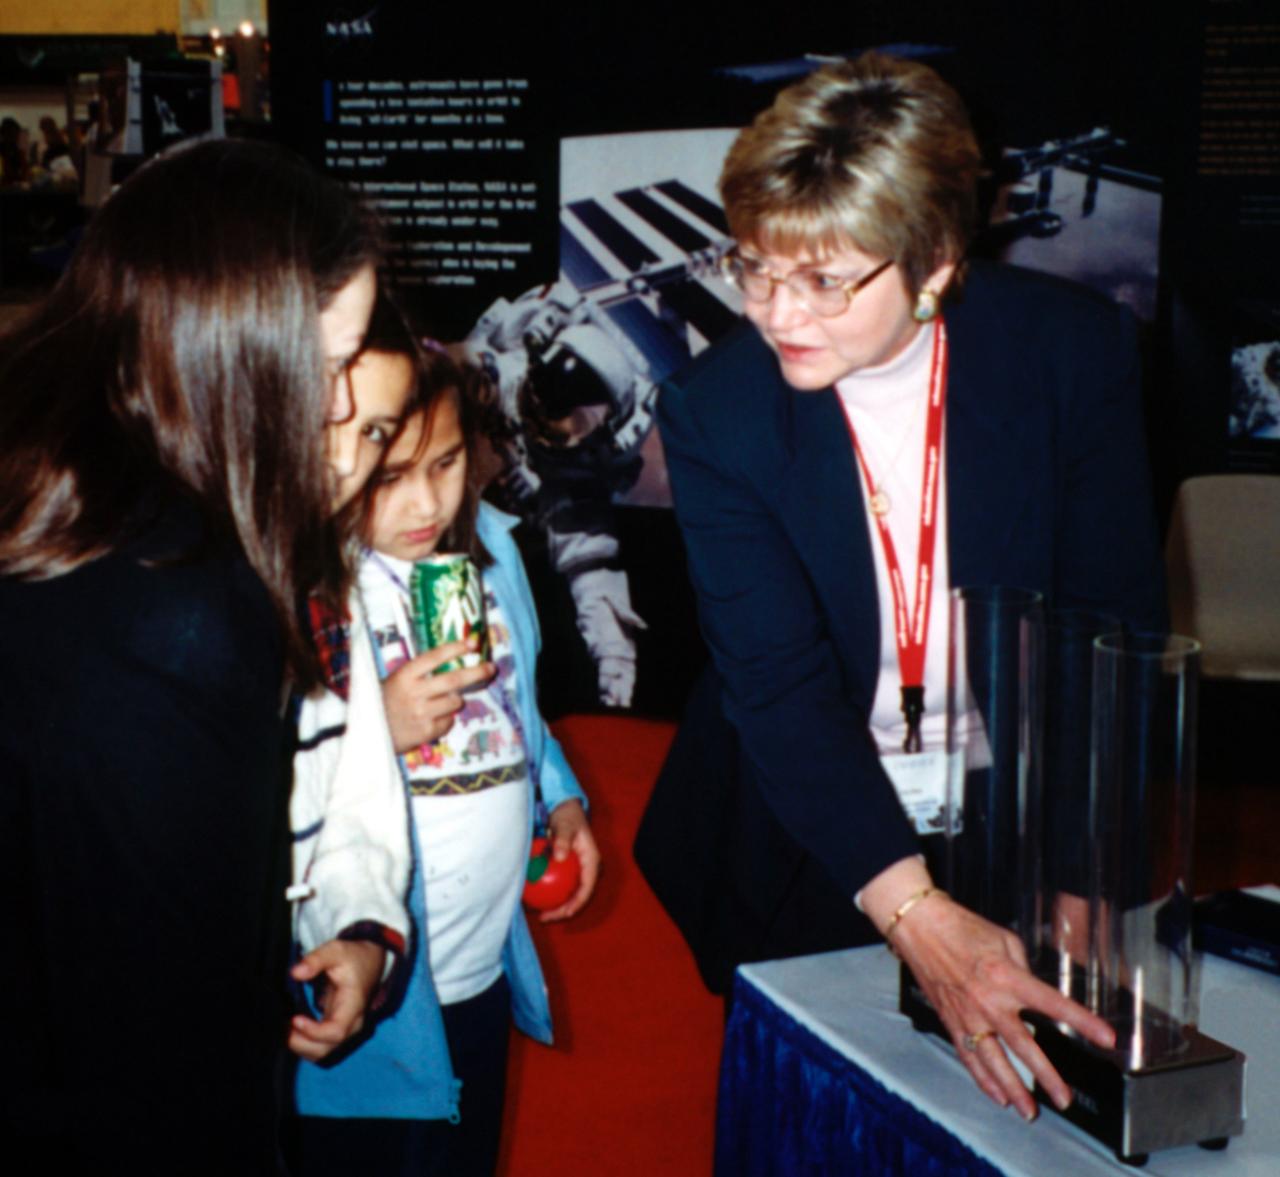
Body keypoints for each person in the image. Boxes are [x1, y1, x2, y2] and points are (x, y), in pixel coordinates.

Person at [635, 53, 1167, 1121]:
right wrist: (913, 912)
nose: (775, 310)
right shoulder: (715, 411)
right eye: (753, 265)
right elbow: (775, 688)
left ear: (930, 262)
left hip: (1008, 812)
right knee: (822, 1114)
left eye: (825, 279)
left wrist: (1079, 868)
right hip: (806, 825)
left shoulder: (1065, 355)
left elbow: (1109, 627)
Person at [0, 138, 380, 1173]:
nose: (340, 409)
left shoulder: (55, 488)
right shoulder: (180, 603)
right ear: (234, 353)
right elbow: (167, 1014)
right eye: (330, 364)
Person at [288, 340, 600, 1176]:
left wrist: (558, 799)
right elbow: (277, 766)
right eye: (391, 477)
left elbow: (519, 708)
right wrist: (373, 723)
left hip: (481, 961)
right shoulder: (320, 587)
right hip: (380, 976)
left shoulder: (492, 558)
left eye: (449, 461)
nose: (427, 501)